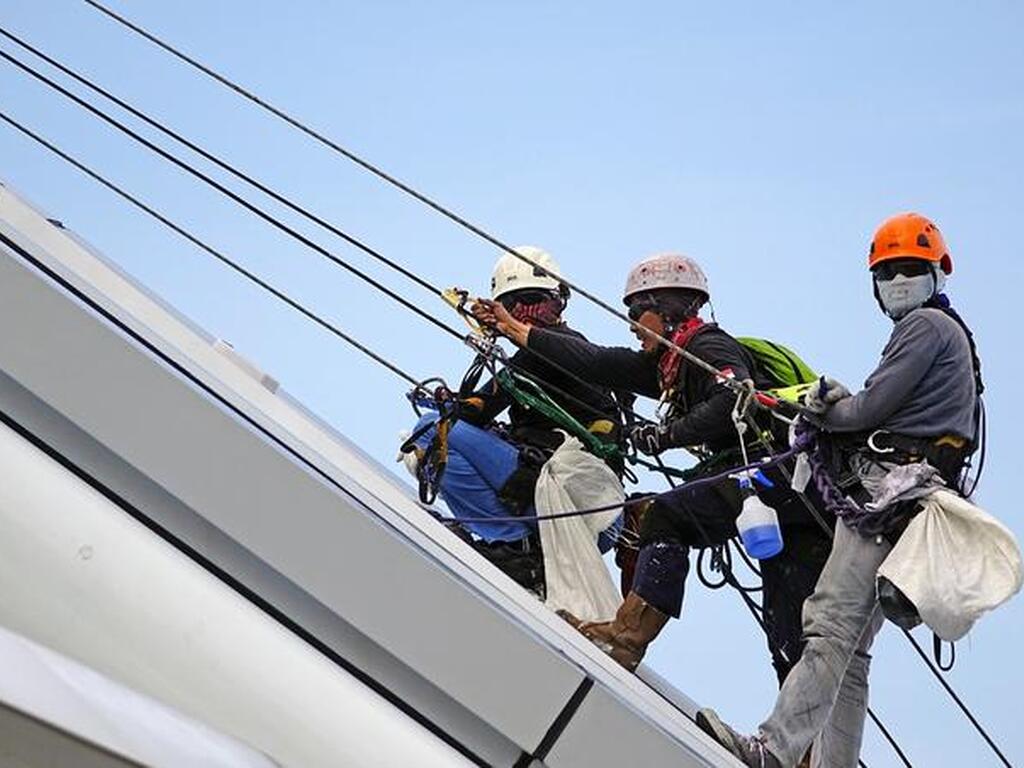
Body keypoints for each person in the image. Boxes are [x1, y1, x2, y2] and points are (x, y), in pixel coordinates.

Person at [695, 213, 981, 767]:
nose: (898, 279)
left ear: (935, 273)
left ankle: (772, 750)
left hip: (890, 497)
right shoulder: (952, 335)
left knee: (826, 625)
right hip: (913, 502)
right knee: (851, 655)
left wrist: (820, 409)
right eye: (888, 271)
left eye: (908, 269)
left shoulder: (924, 327)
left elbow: (870, 410)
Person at [474, 252, 835, 682]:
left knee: (667, 514)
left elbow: (731, 397)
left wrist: (665, 436)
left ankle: (625, 637)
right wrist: (519, 331)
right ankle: (803, 748)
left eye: (635, 311)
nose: (630, 323)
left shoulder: (707, 346)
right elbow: (596, 360)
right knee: (786, 622)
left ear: (668, 309)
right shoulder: (668, 365)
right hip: (795, 495)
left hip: (779, 474)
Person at [405, 246, 624, 597]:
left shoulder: (559, 348)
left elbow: (480, 407)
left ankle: (513, 545)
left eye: (535, 301)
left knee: (432, 430)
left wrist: (456, 407)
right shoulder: (543, 358)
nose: (525, 314)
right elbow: (483, 402)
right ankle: (520, 550)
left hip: (579, 504)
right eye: (514, 306)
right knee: (439, 437)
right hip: (588, 513)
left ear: (559, 305)